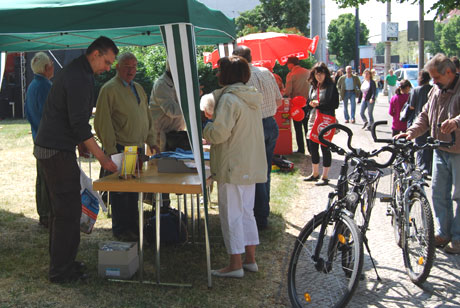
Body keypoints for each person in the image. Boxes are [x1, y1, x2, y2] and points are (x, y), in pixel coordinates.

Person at [34, 36, 119, 283]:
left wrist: (82, 145)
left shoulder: (77, 72)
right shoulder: (78, 77)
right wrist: (103, 158)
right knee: (67, 212)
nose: (108, 67)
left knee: (64, 211)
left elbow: (72, 118)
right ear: (95, 54)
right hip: (55, 150)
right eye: (107, 61)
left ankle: (64, 263)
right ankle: (61, 271)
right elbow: (80, 125)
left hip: (54, 147)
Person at [203, 55, 267, 278]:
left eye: (220, 70)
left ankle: (235, 264)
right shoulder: (250, 97)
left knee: (231, 215)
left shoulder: (230, 99)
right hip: (249, 163)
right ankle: (250, 260)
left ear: (228, 74)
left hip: (233, 164)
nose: (217, 74)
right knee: (246, 213)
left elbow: (219, 133)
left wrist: (206, 126)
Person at [395, 54, 460, 254]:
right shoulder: (435, 91)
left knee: (459, 196)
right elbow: (424, 115)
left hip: (458, 151)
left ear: (449, 72)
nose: (433, 82)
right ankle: (443, 232)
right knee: (439, 194)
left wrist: (456, 122)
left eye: (436, 78)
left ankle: (458, 238)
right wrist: (411, 132)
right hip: (439, 149)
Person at [94, 52, 158, 241]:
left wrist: (151, 140)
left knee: (134, 190)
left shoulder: (138, 88)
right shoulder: (109, 89)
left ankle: (133, 228)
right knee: (122, 192)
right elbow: (102, 122)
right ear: (118, 67)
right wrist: (111, 150)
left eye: (134, 66)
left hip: (136, 149)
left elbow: (147, 116)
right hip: (122, 149)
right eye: (127, 66)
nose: (131, 70)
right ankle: (122, 231)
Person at [233, 46, 282, 230]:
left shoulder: (244, 77)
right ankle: (263, 212)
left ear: (238, 59)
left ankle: (260, 217)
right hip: (271, 123)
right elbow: (279, 100)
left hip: (256, 126)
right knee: (265, 171)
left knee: (256, 173)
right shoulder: (266, 72)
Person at [149, 61, 186, 207]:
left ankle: (166, 207)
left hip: (175, 134)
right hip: (161, 136)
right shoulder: (161, 85)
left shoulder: (177, 82)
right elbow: (171, 110)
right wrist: (190, 103)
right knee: (161, 173)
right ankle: (161, 207)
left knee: (174, 172)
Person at [24, 52, 54, 228]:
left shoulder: (32, 85)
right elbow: (51, 116)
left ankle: (44, 214)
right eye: (51, 64)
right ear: (45, 68)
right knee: (48, 179)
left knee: (42, 178)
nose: (53, 66)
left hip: (38, 138)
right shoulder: (45, 87)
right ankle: (47, 215)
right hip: (48, 142)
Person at [303, 62, 339, 186]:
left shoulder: (331, 86)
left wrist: (320, 105)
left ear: (325, 74)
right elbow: (308, 102)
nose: (319, 76)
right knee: (312, 145)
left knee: (325, 146)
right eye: (317, 74)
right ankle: (315, 173)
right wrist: (310, 104)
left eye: (321, 74)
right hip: (314, 118)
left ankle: (325, 176)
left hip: (326, 119)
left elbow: (335, 104)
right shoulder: (313, 86)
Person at [407, 70, 433, 175]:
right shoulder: (433, 89)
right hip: (431, 122)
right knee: (429, 145)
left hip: (419, 120)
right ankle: (429, 168)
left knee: (419, 145)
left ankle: (422, 168)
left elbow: (412, 106)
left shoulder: (416, 90)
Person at [284, 56, 311, 153]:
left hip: (296, 105)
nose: (287, 66)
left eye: (287, 64)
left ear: (291, 64)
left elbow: (288, 92)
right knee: (307, 127)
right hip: (307, 103)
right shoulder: (308, 72)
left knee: (298, 128)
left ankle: (301, 149)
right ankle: (311, 148)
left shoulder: (291, 75)